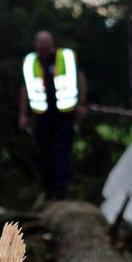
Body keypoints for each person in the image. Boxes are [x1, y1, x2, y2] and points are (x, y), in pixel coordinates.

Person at [19, 30, 87, 201]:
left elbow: (80, 79)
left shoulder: (65, 58)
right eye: (40, 44)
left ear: (51, 44)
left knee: (62, 150)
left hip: (64, 113)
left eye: (45, 44)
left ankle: (61, 189)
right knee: (45, 152)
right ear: (36, 45)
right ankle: (48, 189)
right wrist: (23, 114)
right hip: (42, 114)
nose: (42, 47)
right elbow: (25, 88)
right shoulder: (31, 62)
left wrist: (81, 103)